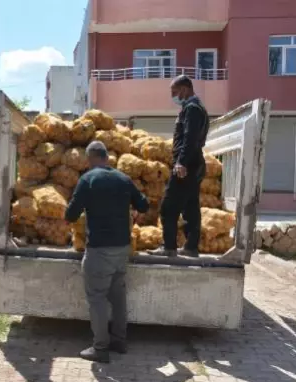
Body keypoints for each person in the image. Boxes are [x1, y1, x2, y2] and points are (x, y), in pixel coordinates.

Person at [65, 141, 149, 363]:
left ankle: (100, 348)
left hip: (99, 250)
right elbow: (144, 205)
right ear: (107, 157)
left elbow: (71, 214)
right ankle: (119, 341)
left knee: (98, 298)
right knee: (118, 296)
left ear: (90, 158)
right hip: (122, 248)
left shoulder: (88, 179)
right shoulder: (124, 179)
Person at [149, 75, 209, 258]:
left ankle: (169, 247)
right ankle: (191, 247)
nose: (173, 96)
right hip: (194, 163)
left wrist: (181, 162)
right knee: (190, 208)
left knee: (168, 207)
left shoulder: (192, 109)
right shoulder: (196, 108)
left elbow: (189, 138)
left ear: (184, 89)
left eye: (174, 92)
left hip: (187, 165)